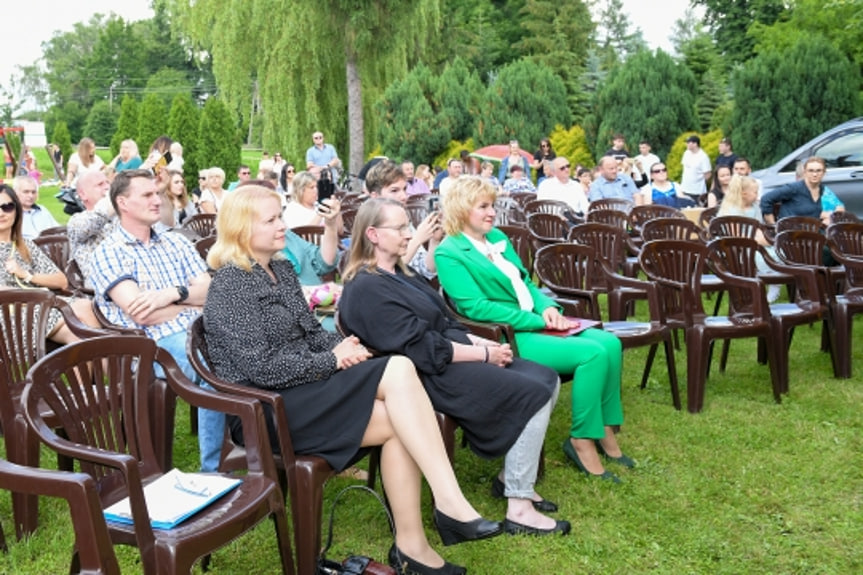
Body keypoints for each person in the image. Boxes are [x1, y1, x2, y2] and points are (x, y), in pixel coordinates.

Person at [204, 185, 501, 574]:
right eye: (272, 219)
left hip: (305, 391)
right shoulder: (231, 283)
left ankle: (413, 546)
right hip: (265, 411)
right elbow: (259, 368)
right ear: (242, 228)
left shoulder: (280, 269)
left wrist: (348, 345)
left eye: (281, 215)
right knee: (397, 368)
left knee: (400, 420)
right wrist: (332, 359)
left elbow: (310, 333)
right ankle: (450, 503)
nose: (283, 225)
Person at [339, 198, 569, 537]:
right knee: (531, 392)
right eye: (401, 227)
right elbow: (420, 348)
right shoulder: (367, 287)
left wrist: (481, 343)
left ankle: (513, 476)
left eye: (408, 225)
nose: (409, 234)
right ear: (373, 234)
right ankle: (519, 507)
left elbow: (443, 322)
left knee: (545, 376)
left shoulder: (401, 272)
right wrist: (484, 357)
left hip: (445, 359)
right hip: (423, 378)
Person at [436, 176, 633, 483]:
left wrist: (548, 308)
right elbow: (474, 308)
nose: (492, 212)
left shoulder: (497, 237)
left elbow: (526, 283)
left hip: (534, 321)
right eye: (483, 206)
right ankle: (581, 440)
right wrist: (539, 321)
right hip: (507, 337)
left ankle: (605, 430)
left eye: (493, 205)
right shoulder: (449, 252)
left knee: (610, 344)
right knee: (592, 355)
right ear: (461, 209)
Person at [90, 169, 221, 473]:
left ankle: (262, 441)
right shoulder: (109, 251)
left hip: (199, 328)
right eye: (147, 195)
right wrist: (189, 303)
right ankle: (214, 469)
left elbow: (210, 289)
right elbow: (141, 313)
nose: (157, 200)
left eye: (157, 193)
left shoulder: (175, 242)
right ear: (123, 202)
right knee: (215, 362)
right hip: (149, 345)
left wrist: (170, 294)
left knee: (255, 346)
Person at [0, 184, 99, 343]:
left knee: (77, 337)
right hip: (11, 315)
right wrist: (40, 297)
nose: (1, 213)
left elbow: (61, 281)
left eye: (7, 207)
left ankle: (109, 366)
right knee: (82, 309)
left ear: (16, 210)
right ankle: (121, 363)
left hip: (41, 306)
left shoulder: (24, 245)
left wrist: (27, 275)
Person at [366, 160, 442, 279]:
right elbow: (386, 274)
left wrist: (435, 242)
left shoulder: (405, 221)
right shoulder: (370, 228)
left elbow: (426, 269)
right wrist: (417, 240)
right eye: (394, 190)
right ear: (375, 196)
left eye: (404, 189)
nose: (404, 196)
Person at [719, 175, 782, 302]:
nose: (758, 195)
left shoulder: (755, 207)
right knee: (760, 256)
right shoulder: (732, 210)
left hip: (754, 240)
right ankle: (771, 281)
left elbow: (758, 227)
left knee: (777, 251)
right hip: (737, 247)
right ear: (744, 193)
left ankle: (776, 281)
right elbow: (734, 236)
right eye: (755, 192)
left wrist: (763, 239)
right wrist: (755, 241)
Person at [760, 156, 844, 226]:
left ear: (824, 172)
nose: (815, 174)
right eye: (811, 171)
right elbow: (766, 199)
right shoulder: (793, 188)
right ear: (805, 172)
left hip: (810, 233)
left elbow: (838, 208)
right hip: (790, 233)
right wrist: (772, 224)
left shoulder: (822, 190)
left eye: (818, 171)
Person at [67, 170, 114, 290]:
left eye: (107, 183)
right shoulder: (76, 221)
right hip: (100, 287)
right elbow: (94, 221)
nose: (107, 187)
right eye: (100, 184)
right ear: (83, 195)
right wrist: (111, 199)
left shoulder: (122, 217)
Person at [680, 135, 712, 200]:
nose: (687, 144)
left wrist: (698, 181)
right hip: (685, 189)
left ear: (695, 144)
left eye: (689, 143)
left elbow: (708, 174)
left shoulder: (703, 157)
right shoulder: (686, 153)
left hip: (697, 191)